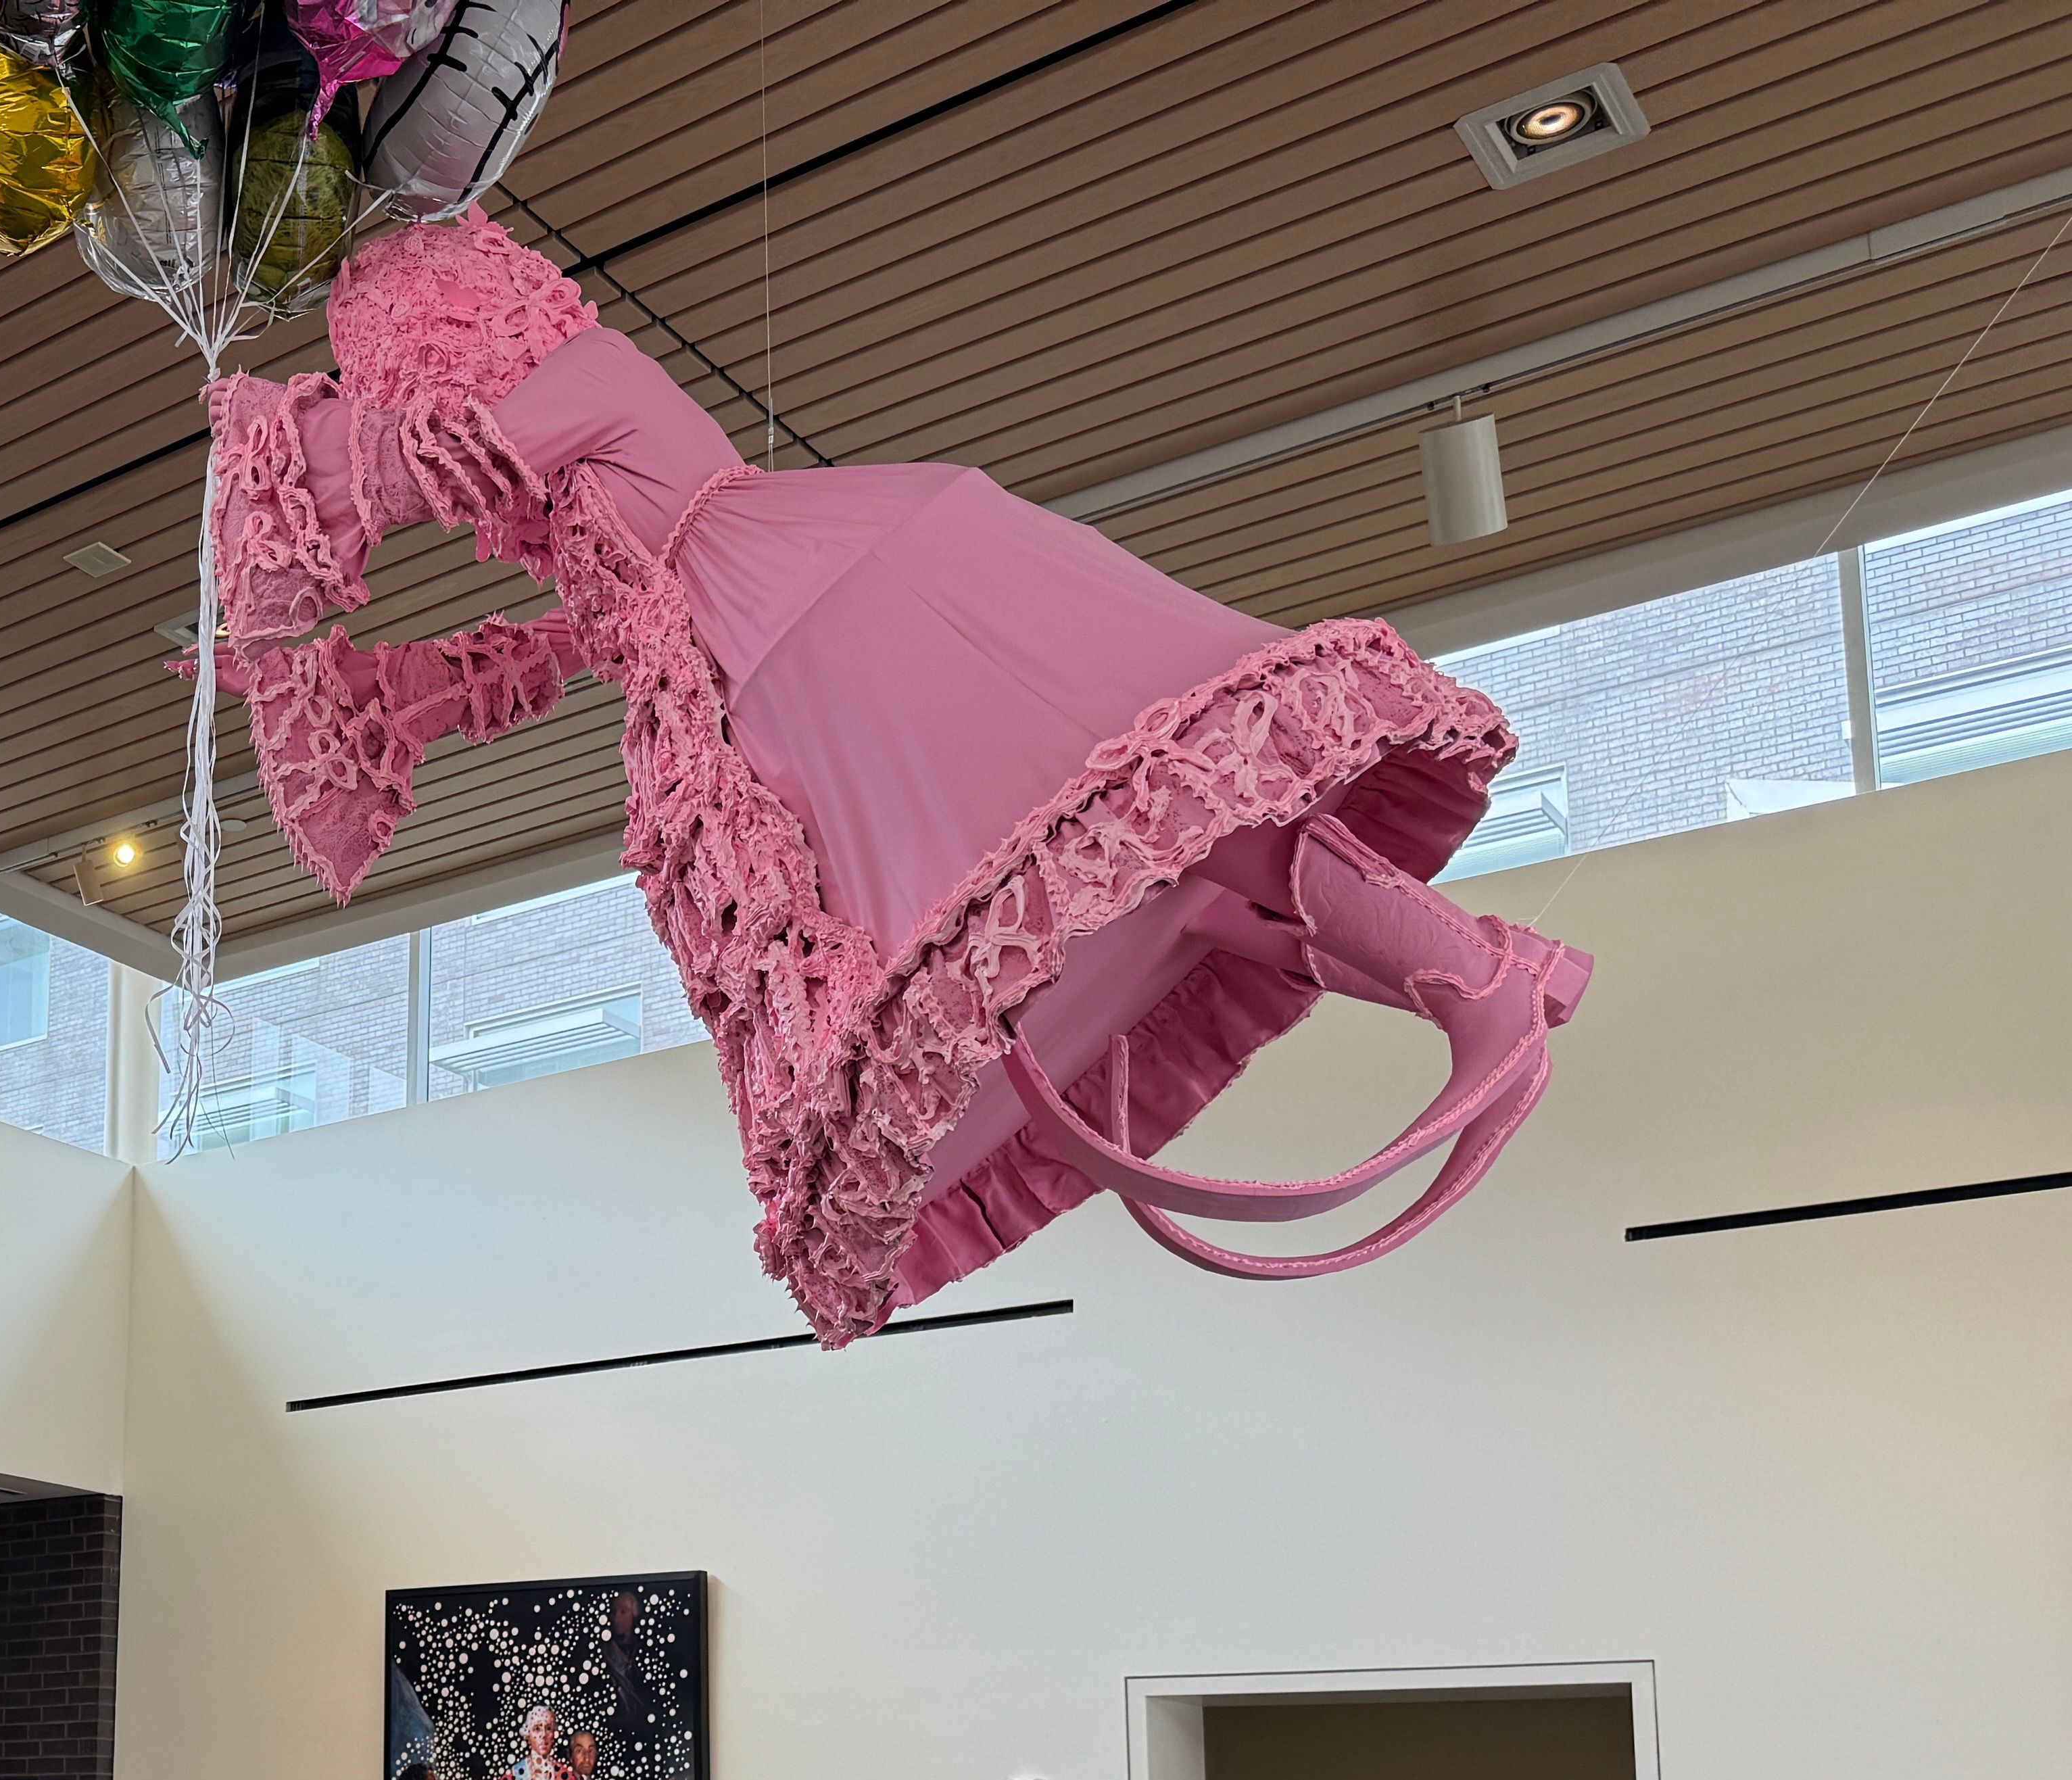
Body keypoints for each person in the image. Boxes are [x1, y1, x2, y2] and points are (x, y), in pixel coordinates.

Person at [204, 210, 1591, 1349]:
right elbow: (579, 621)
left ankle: (1472, 980)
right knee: (1125, 853)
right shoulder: (563, 476)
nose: (412, 389)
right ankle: (1478, 976)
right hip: (776, 663)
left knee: (1129, 804)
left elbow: (396, 473)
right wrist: (392, 690)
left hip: (825, 611)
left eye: (405, 362)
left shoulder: (585, 380)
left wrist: (278, 478)